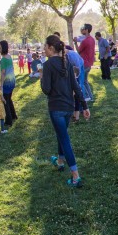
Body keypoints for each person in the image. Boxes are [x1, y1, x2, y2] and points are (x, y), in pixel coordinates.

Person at [40, 35, 90, 188]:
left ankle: (75, 176)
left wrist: (42, 77)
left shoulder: (48, 65)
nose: (43, 49)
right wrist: (84, 106)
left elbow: (46, 90)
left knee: (64, 138)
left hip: (57, 109)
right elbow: (76, 87)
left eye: (45, 47)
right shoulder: (66, 62)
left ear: (51, 48)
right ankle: (60, 161)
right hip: (68, 108)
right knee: (61, 135)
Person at [0, 40, 17, 127]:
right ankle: (13, 116)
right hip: (12, 81)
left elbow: (3, 74)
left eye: (0, 47)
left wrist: (1, 86)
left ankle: (8, 121)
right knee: (9, 99)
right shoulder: (9, 56)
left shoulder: (3, 60)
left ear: (3, 48)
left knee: (5, 101)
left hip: (7, 83)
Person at [76, 24, 96, 101]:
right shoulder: (92, 39)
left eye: (83, 29)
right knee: (85, 81)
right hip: (89, 63)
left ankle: (87, 97)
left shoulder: (85, 41)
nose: (82, 30)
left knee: (81, 81)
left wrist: (75, 43)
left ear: (87, 30)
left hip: (84, 64)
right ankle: (90, 97)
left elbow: (78, 51)